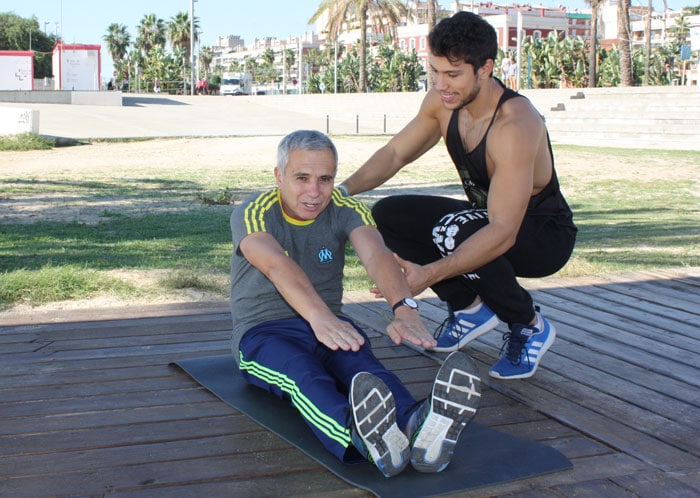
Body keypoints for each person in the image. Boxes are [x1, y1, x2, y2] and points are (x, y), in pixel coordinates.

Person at [337, 12, 577, 380]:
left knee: (458, 230)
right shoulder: (442, 103)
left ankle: (527, 323)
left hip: (543, 236)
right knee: (390, 215)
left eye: (453, 74)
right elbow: (395, 154)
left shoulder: (515, 124)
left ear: (485, 69)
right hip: (486, 219)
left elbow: (503, 231)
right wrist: (341, 191)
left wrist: (428, 274)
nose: (441, 84)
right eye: (434, 72)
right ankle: (468, 308)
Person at [229, 130, 482, 477]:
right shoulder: (254, 211)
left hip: (331, 325)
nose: (314, 192)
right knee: (304, 376)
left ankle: (417, 427)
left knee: (365, 371)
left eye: (325, 179)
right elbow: (276, 264)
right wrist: (319, 317)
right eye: (302, 178)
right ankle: (360, 437)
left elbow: (376, 253)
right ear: (279, 176)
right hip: (264, 334)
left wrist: (404, 309)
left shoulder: (344, 208)